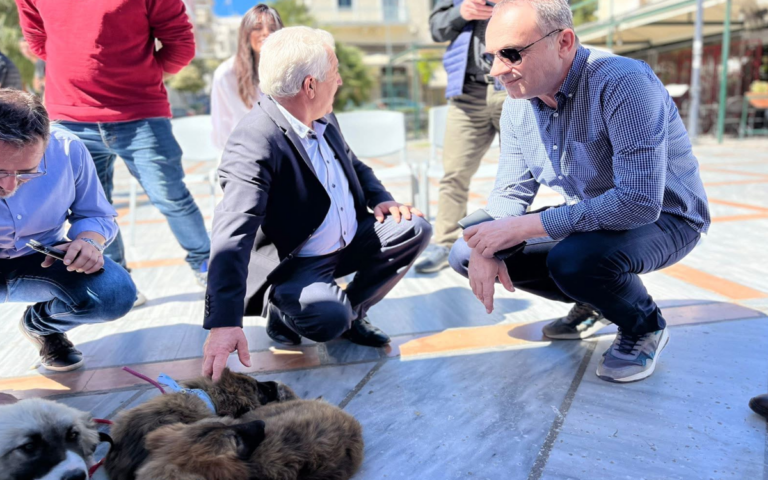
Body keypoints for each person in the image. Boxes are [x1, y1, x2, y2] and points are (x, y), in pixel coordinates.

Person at [449, 0, 711, 383]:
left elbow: (638, 202)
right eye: (492, 56)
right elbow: (510, 191)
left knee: (574, 260)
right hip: (596, 217)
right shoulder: (517, 105)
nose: (497, 70)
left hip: (668, 217)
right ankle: (596, 302)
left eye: (511, 54)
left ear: (564, 42)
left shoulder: (623, 83)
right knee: (465, 252)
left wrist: (522, 228)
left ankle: (644, 325)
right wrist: (486, 245)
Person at [202, 27, 432, 381]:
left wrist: (382, 199)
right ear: (310, 86)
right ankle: (286, 309)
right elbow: (232, 232)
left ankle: (353, 313)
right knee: (328, 319)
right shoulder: (254, 140)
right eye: (334, 72)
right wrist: (224, 322)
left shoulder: (322, 113)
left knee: (413, 227)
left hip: (349, 239)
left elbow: (352, 162)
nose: (339, 80)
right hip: (300, 261)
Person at [16, 0, 211, 306]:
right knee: (93, 208)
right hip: (71, 116)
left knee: (171, 196)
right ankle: (117, 278)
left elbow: (180, 45)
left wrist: (141, 73)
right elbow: (39, 41)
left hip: (141, 113)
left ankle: (207, 266)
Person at [0, 89, 136, 371]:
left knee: (114, 294)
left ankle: (41, 326)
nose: (10, 186)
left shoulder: (67, 148)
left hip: (42, 258)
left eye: (26, 172)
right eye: (1, 171)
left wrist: (89, 243)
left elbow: (96, 214)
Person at [415, 0, 506, 274]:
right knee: (454, 173)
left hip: (513, 85)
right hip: (467, 92)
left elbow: (556, 11)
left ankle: (522, 241)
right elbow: (436, 28)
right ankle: (444, 244)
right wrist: (461, 12)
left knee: (527, 170)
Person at [211, 4, 283, 150]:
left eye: (273, 28)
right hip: (245, 154)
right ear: (246, 33)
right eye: (257, 28)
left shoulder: (291, 71)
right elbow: (221, 129)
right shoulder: (227, 74)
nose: (266, 33)